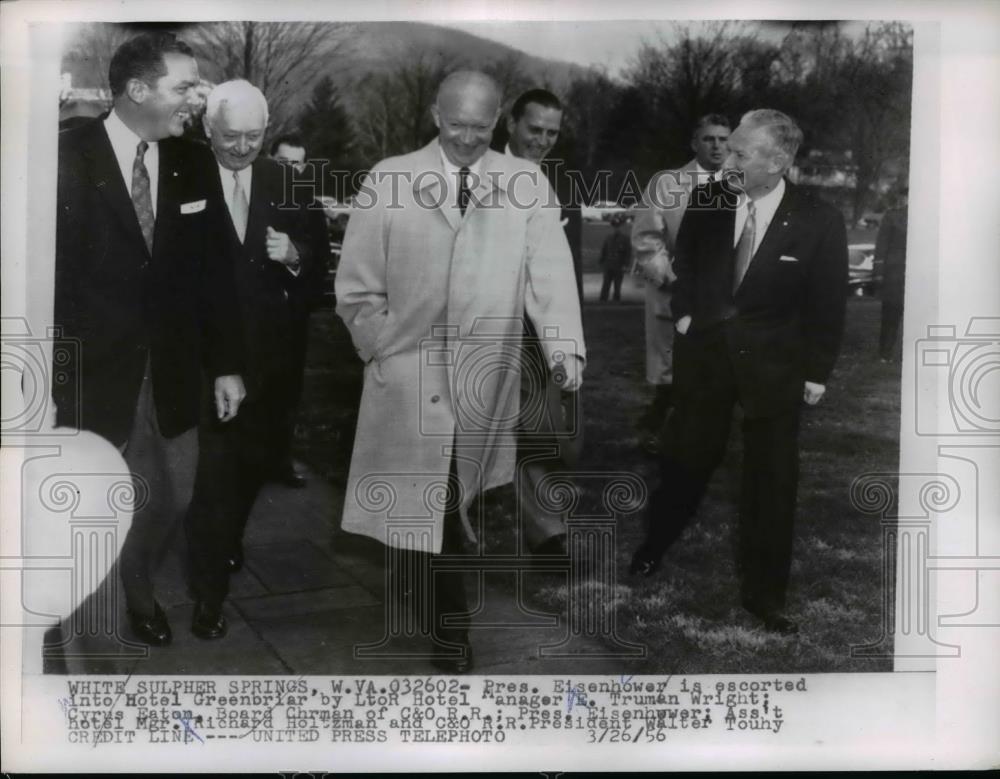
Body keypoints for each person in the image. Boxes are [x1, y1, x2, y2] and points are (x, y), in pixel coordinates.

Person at [335, 70, 585, 672]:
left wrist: (563, 347)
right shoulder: (390, 178)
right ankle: (449, 629)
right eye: (455, 125)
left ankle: (434, 608)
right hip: (407, 371)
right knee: (426, 504)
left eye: (480, 126)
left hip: (480, 374)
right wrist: (376, 343)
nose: (467, 138)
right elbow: (357, 285)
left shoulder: (525, 183)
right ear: (433, 115)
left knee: (444, 499)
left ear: (498, 119)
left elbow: (546, 273)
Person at [53, 32, 245, 646]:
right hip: (89, 371)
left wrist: (227, 365)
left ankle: (134, 578)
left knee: (171, 500)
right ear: (137, 90)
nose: (197, 97)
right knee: (93, 502)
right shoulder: (64, 158)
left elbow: (218, 273)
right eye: (184, 86)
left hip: (173, 370)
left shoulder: (193, 162)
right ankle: (104, 606)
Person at [629, 109, 848, 636]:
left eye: (741, 154)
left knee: (773, 483)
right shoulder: (710, 199)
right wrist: (684, 318)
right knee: (686, 461)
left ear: (779, 162)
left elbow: (827, 304)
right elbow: (690, 268)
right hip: (706, 359)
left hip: (777, 370)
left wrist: (816, 373)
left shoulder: (820, 220)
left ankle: (766, 595)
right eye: (728, 150)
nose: (727, 160)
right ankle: (654, 545)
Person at [183, 81, 329, 639]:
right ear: (207, 130)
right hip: (203, 362)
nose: (242, 148)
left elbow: (317, 273)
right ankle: (208, 595)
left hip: (271, 364)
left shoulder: (289, 186)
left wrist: (293, 256)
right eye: (229, 137)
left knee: (249, 470)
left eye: (253, 136)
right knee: (214, 477)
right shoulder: (183, 180)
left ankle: (225, 543)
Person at [503, 88, 584, 557]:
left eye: (552, 132)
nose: (543, 140)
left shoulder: (561, 185)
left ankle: (547, 533)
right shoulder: (478, 173)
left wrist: (567, 337)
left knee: (544, 431)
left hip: (538, 332)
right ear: (511, 124)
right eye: (535, 129)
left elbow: (560, 269)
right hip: (484, 324)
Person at [631, 114, 731, 452]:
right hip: (674, 293)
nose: (717, 146)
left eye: (723, 139)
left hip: (723, 300)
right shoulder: (667, 184)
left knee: (715, 371)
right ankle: (658, 428)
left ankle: (698, 437)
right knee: (672, 371)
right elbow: (646, 240)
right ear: (694, 143)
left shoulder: (741, 185)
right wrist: (675, 281)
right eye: (709, 139)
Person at [267, 133, 330, 488]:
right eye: (282, 163)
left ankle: (279, 462)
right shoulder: (250, 195)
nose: (290, 171)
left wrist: (296, 258)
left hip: (291, 315)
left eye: (297, 164)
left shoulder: (310, 205)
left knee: (286, 392)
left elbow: (320, 260)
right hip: (250, 314)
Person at [874, 188, 908, 362]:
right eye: (905, 195)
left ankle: (911, 354)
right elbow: (881, 245)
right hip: (894, 274)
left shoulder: (928, 217)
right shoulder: (892, 217)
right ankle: (885, 353)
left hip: (919, 274)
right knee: (890, 313)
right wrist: (879, 272)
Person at [598, 213, 632, 301]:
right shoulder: (608, 238)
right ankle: (603, 300)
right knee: (606, 284)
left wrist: (626, 264)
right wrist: (601, 261)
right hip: (608, 264)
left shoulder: (625, 239)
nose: (616, 229)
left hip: (619, 265)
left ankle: (616, 301)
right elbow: (604, 250)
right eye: (614, 226)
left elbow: (628, 253)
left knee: (617, 285)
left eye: (618, 226)